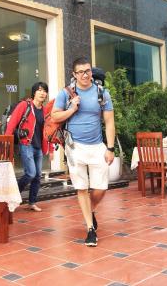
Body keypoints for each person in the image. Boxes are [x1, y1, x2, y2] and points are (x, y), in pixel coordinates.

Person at [51, 57, 115, 247]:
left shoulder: (102, 93)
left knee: (101, 188)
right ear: (74, 74)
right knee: (81, 188)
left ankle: (91, 209)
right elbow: (55, 116)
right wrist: (72, 109)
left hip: (97, 146)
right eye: (81, 72)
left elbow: (110, 122)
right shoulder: (66, 94)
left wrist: (110, 148)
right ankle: (90, 229)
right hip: (74, 147)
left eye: (88, 71)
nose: (85, 75)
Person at [5, 82, 49, 212]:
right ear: (34, 92)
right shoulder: (25, 105)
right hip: (26, 144)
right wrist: (7, 140)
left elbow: (48, 130)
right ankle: (13, 197)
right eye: (39, 90)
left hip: (38, 146)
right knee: (30, 173)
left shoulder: (45, 110)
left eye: (44, 91)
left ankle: (32, 202)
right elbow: (12, 122)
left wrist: (50, 148)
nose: (42, 93)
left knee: (37, 175)